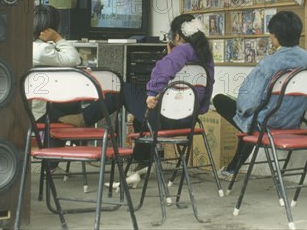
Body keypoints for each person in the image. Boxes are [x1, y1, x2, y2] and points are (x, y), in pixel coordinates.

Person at [59, 14, 215, 168]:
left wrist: (152, 93)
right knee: (142, 115)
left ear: (177, 36)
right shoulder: (206, 56)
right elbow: (206, 86)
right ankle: (142, 162)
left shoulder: (181, 51)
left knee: (124, 89)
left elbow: (161, 72)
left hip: (166, 121)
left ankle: (84, 118)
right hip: (189, 120)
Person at [213, 11, 307, 178]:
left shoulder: (269, 64)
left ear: (274, 37)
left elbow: (246, 103)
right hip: (293, 122)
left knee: (221, 101)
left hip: (266, 125)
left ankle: (231, 169)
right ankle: (232, 168)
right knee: (251, 121)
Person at [32, 4, 82, 123]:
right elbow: (74, 59)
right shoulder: (42, 50)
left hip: (29, 107)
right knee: (75, 104)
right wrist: (57, 38)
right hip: (39, 113)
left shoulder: (31, 46)